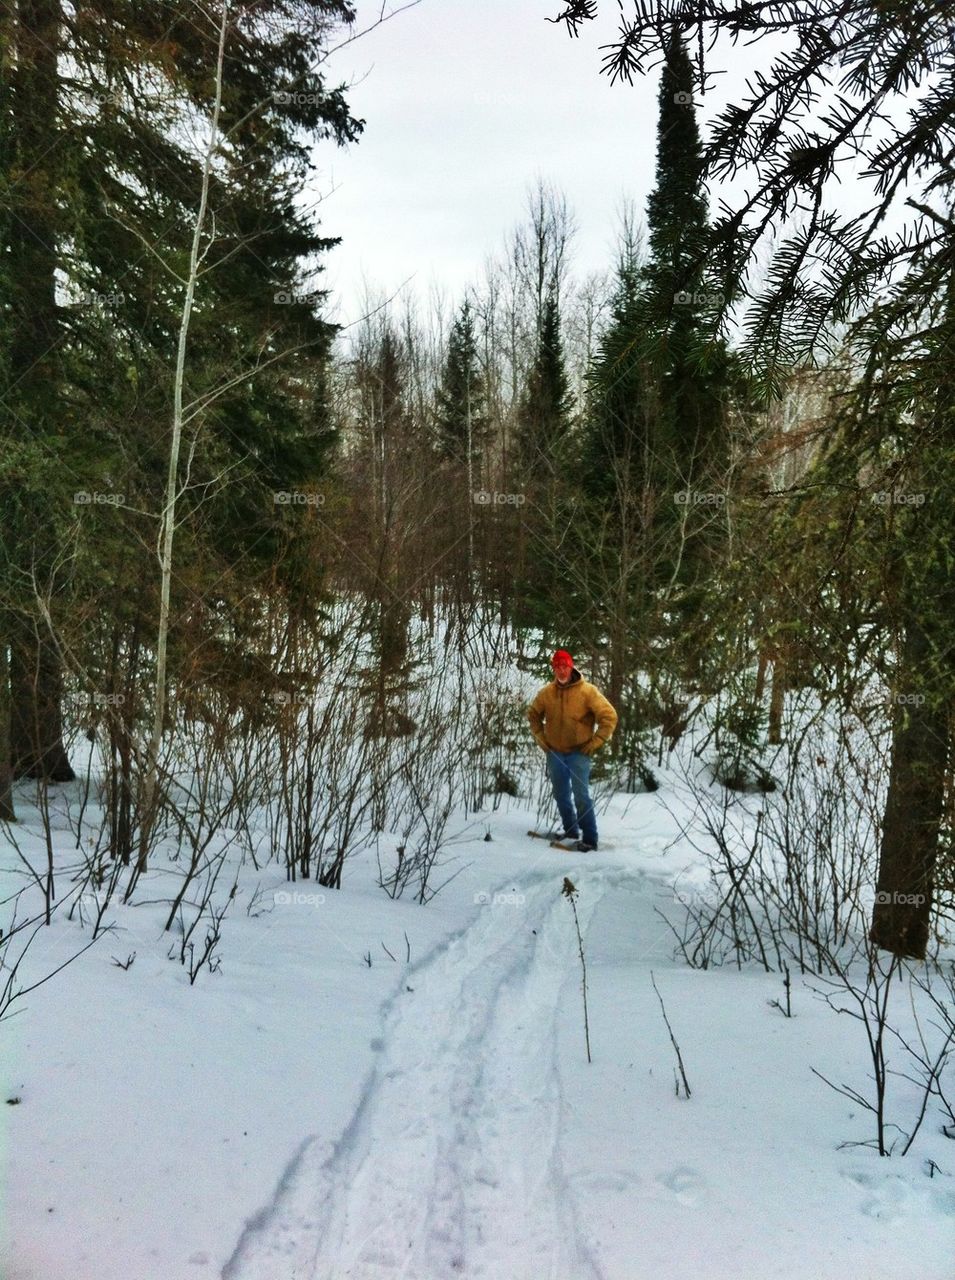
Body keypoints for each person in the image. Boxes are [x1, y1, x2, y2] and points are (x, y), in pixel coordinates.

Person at [527, 649, 618, 851]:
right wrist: (542, 739)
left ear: (571, 666)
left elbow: (609, 717)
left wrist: (596, 741)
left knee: (581, 796)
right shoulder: (546, 693)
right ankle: (570, 831)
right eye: (557, 666)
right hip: (555, 753)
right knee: (560, 794)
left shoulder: (588, 691)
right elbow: (533, 715)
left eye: (564, 666)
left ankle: (590, 838)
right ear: (553, 669)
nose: (561, 670)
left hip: (579, 753)